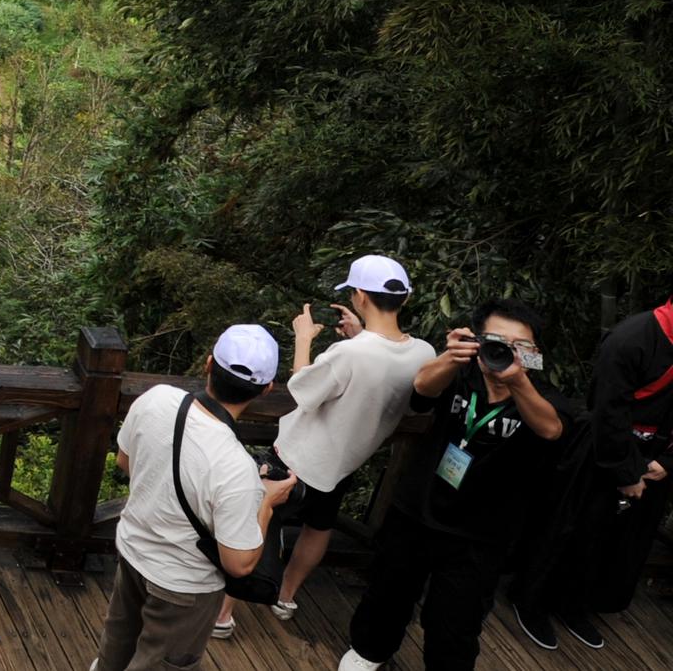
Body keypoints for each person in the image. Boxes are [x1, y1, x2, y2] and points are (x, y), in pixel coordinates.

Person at [337, 298, 566, 671]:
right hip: (417, 509)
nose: (505, 351)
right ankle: (369, 650)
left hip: (481, 534)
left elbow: (551, 430)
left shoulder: (539, 396)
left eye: (519, 345)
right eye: (495, 340)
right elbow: (422, 390)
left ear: (535, 353)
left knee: (455, 620)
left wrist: (518, 379)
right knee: (388, 590)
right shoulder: (460, 373)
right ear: (477, 339)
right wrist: (451, 356)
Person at [211, 255, 433, 638]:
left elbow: (303, 389)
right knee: (319, 527)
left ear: (360, 295)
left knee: (257, 522)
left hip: (296, 459)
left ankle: (222, 615)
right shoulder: (423, 353)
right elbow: (382, 370)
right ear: (404, 299)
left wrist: (303, 338)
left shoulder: (351, 353)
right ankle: (286, 597)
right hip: (345, 465)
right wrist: (360, 333)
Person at [89, 325, 297, 671]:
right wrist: (264, 501)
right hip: (184, 586)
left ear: (209, 363)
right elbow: (239, 563)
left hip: (133, 551)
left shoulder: (156, 399)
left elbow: (125, 461)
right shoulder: (237, 467)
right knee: (165, 662)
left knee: (117, 643)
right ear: (266, 389)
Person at [509, 292, 673, 651]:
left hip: (657, 455)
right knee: (569, 527)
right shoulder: (633, 337)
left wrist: (667, 463)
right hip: (604, 446)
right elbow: (607, 409)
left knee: (615, 540)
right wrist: (628, 472)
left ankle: (574, 605)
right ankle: (531, 601)